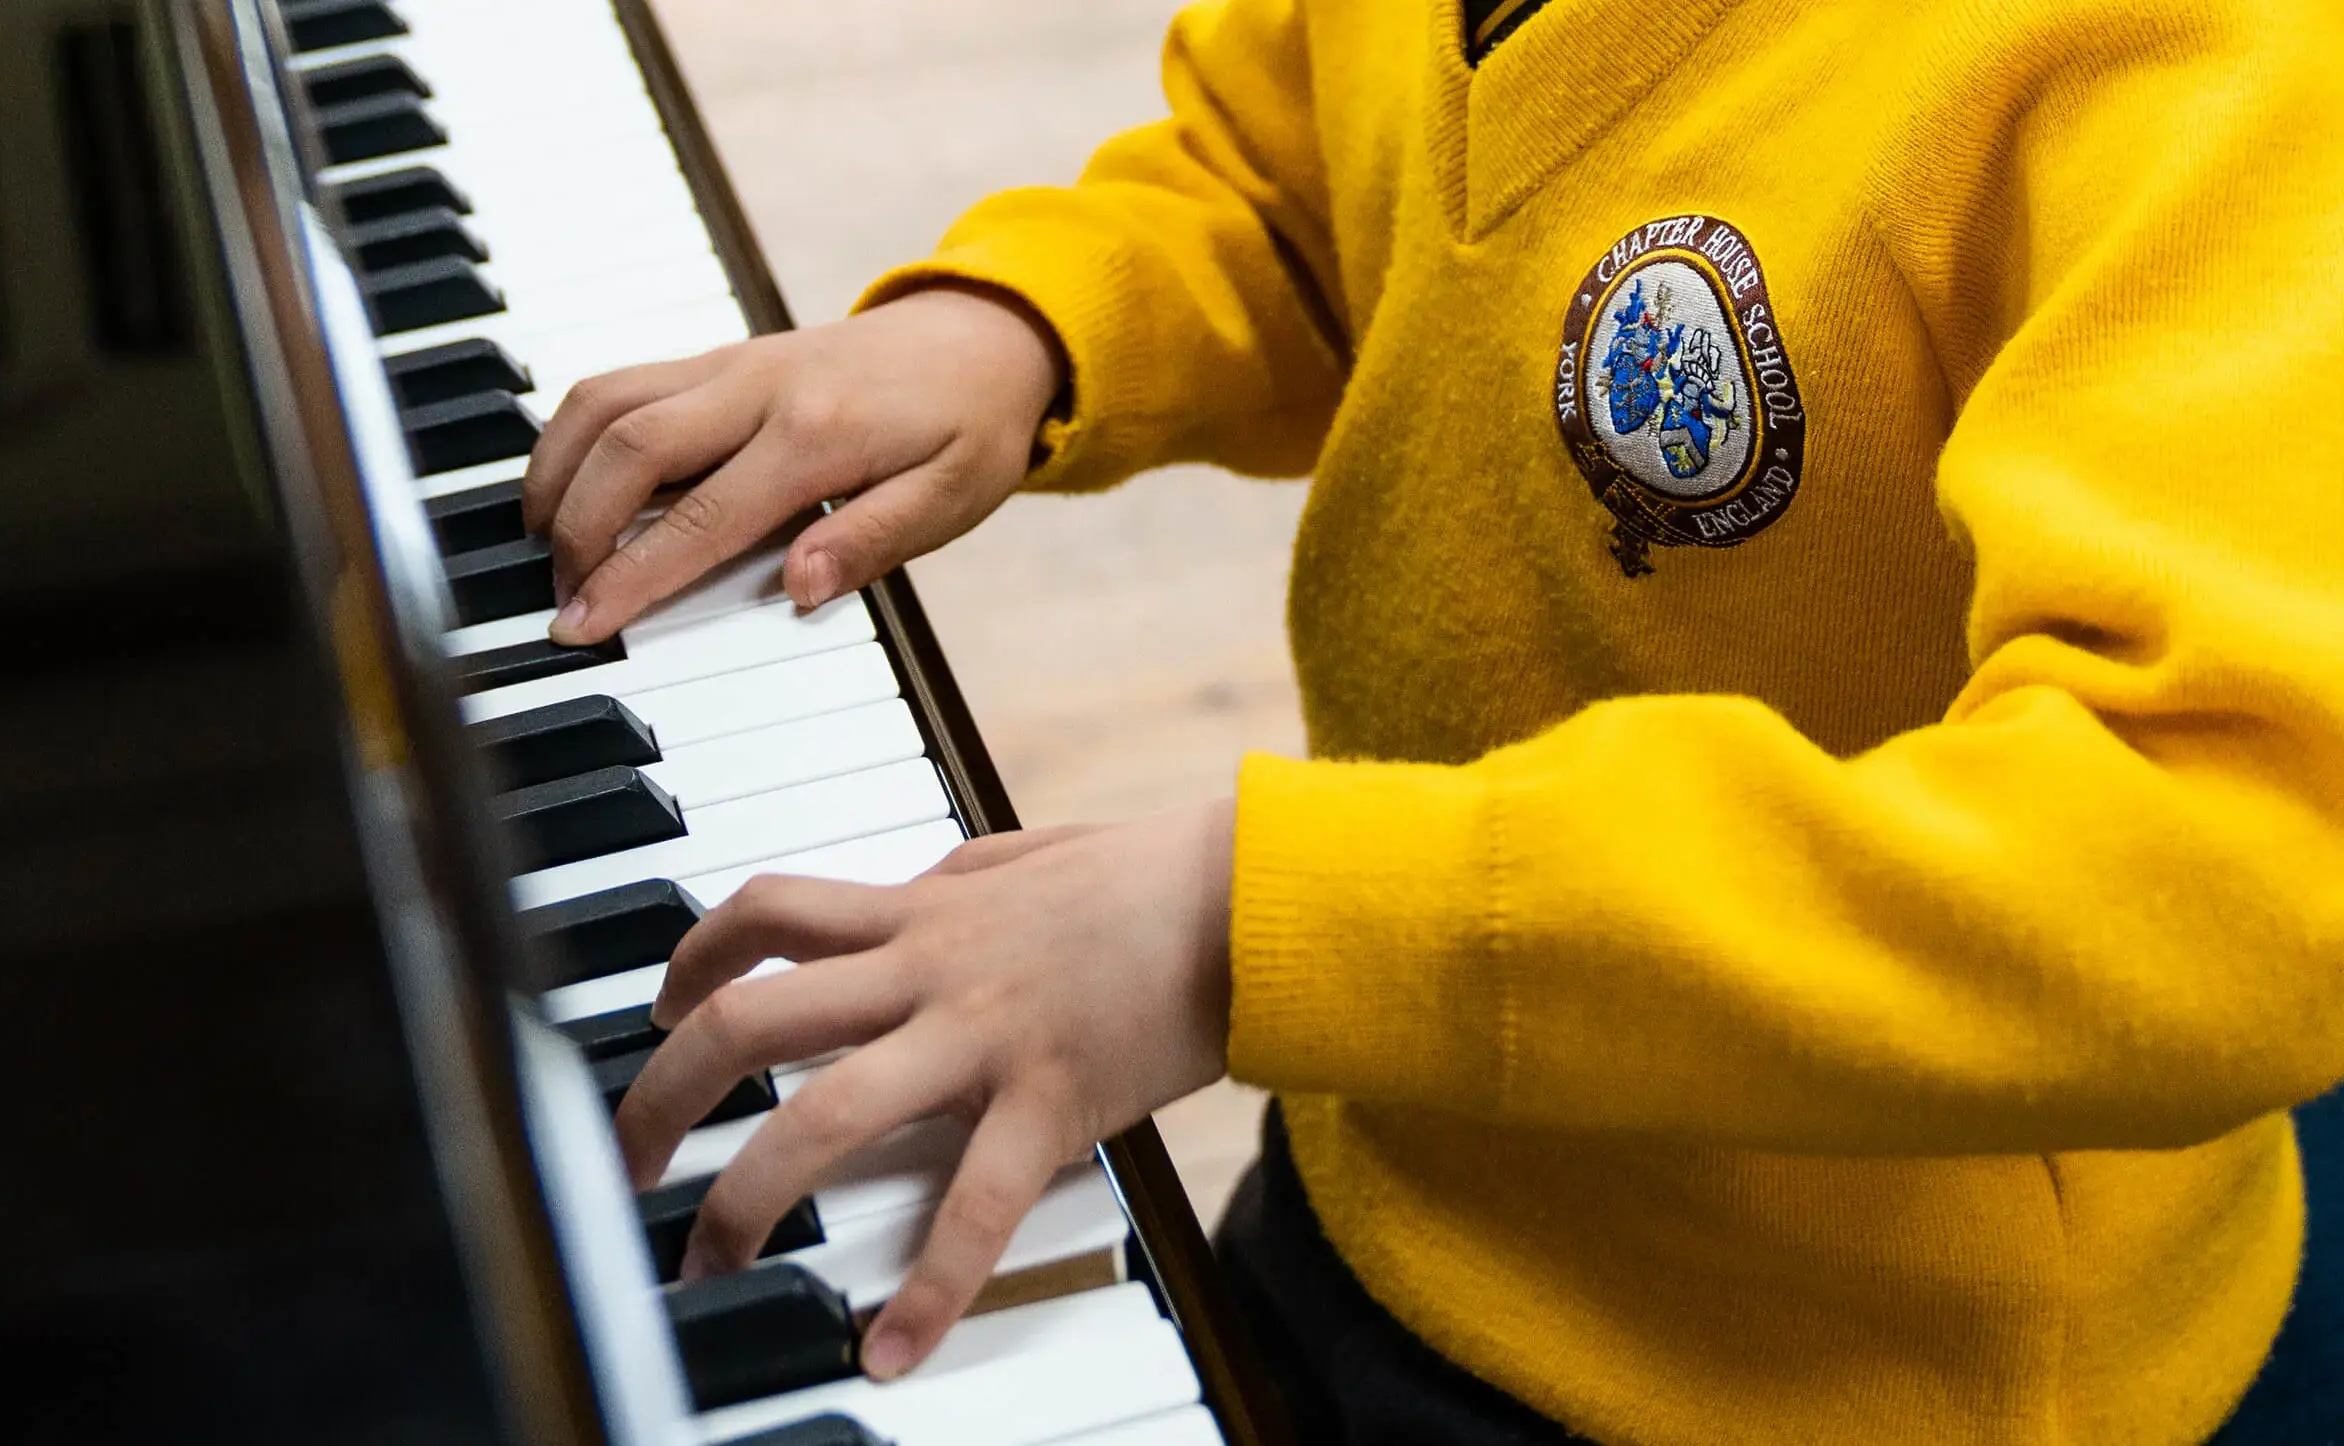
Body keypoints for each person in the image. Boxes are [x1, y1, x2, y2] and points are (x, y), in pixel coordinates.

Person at [520, 0, 2344, 1441]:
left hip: (1858, 1371)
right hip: (1403, 1136)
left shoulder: (2211, 68)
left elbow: (2228, 849)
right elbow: (1297, 177)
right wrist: (1029, 326)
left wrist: (1244, 921)